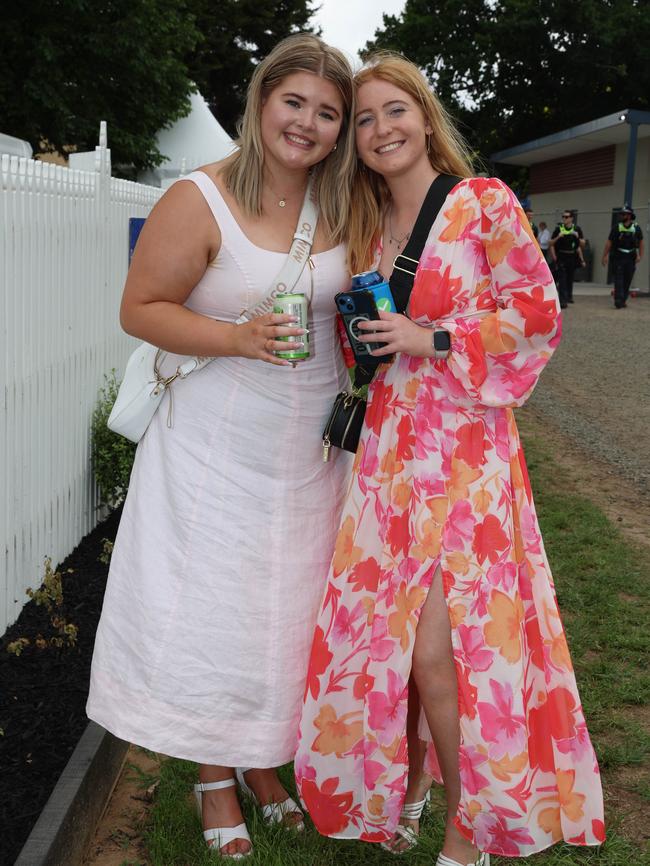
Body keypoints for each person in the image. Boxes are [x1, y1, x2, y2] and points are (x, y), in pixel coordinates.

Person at [296, 52, 605, 866]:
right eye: (363, 120)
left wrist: (432, 336)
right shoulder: (367, 226)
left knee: (441, 646)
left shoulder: (482, 203)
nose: (379, 129)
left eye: (393, 111)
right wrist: (367, 336)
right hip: (390, 455)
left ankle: (469, 829)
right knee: (390, 637)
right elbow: (369, 344)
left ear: (424, 117)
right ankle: (419, 785)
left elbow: (538, 315)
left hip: (465, 453)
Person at [86, 34, 357, 859]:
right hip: (214, 444)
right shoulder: (195, 199)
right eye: (294, 102)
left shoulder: (343, 205)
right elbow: (141, 308)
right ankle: (213, 776)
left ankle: (265, 761)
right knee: (217, 609)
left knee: (290, 609)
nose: (306, 124)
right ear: (260, 100)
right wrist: (235, 339)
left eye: (326, 112)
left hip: (309, 450)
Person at [602, 205, 645, 308]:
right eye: (621, 214)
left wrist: (640, 255)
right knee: (619, 279)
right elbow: (609, 243)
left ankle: (623, 299)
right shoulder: (616, 228)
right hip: (618, 257)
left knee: (627, 279)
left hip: (631, 257)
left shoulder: (636, 228)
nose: (622, 216)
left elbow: (641, 243)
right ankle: (618, 300)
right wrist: (605, 255)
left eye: (624, 214)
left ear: (630, 216)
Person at [549, 210, 585, 307]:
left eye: (566, 217)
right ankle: (562, 300)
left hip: (572, 256)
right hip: (561, 256)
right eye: (563, 217)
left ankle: (569, 296)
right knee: (562, 279)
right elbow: (551, 243)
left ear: (571, 218)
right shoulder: (558, 229)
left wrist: (577, 237)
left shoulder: (577, 229)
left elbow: (582, 244)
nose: (564, 219)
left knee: (570, 278)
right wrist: (558, 237)